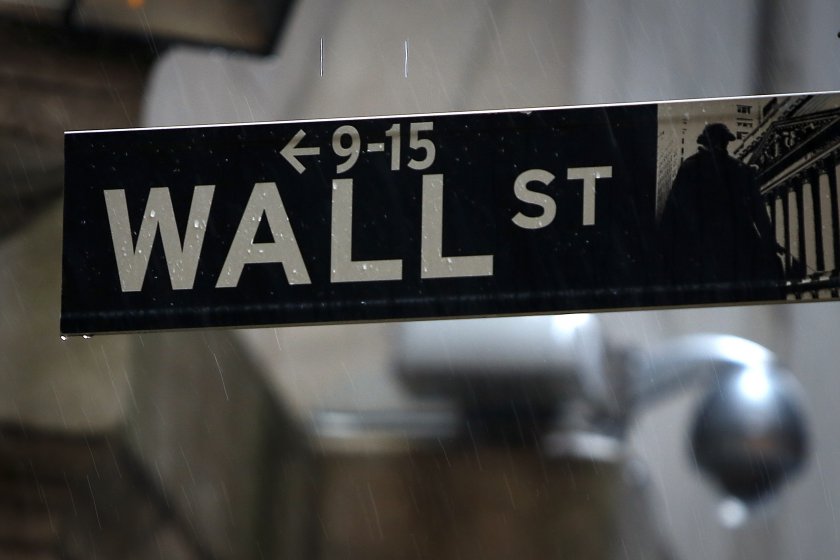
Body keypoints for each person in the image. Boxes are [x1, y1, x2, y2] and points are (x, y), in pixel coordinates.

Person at [659, 123, 784, 301]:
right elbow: (759, 211)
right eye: (720, 141)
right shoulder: (738, 169)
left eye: (722, 142)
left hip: (706, 250)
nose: (721, 146)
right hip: (731, 249)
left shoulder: (692, 167)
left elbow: (673, 213)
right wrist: (769, 241)